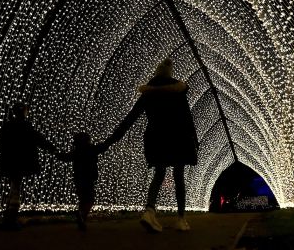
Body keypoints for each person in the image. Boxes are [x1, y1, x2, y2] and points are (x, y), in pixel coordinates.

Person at [105, 58, 198, 232]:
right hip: (178, 137)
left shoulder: (149, 94)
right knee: (179, 176)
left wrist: (112, 140)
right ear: (170, 75)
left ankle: (150, 211)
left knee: (159, 174)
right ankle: (181, 219)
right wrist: (194, 137)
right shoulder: (178, 92)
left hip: (156, 137)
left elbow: (130, 118)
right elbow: (187, 116)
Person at [0, 102, 57, 229]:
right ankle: (11, 220)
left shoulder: (8, 126)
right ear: (24, 112)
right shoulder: (26, 126)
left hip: (9, 161)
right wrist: (54, 150)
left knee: (14, 186)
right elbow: (39, 139)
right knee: (16, 188)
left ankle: (8, 218)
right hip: (21, 162)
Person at [56, 132, 110, 231]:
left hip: (78, 178)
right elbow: (105, 146)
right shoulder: (92, 149)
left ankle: (82, 218)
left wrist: (55, 152)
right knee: (90, 199)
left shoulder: (76, 152)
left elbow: (64, 158)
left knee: (83, 199)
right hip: (89, 177)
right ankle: (82, 215)